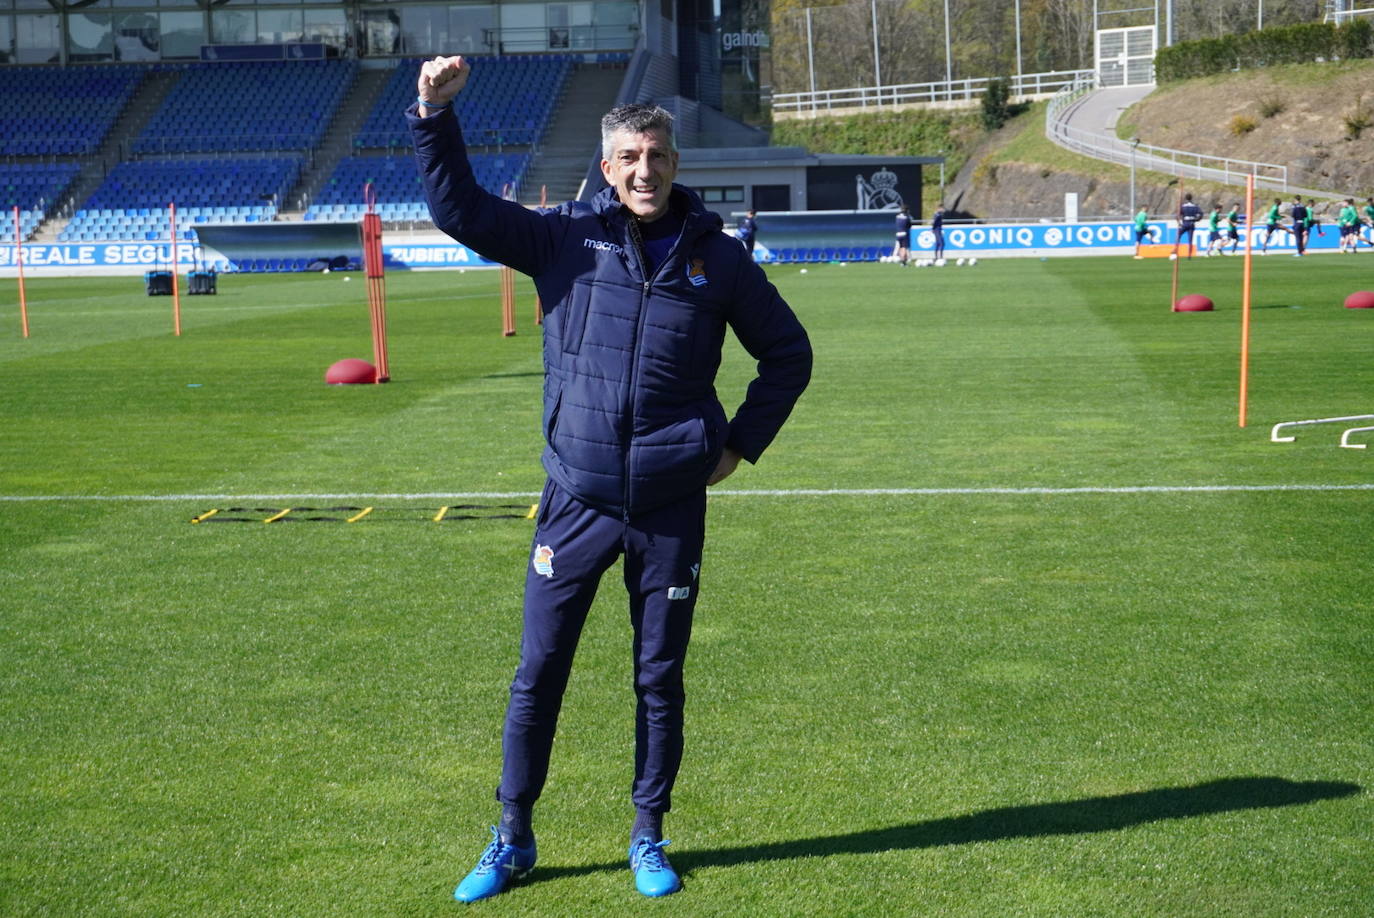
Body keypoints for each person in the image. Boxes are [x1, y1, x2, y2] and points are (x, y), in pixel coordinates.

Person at [408, 55, 813, 904]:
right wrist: (433, 114)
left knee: (658, 678)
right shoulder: (562, 240)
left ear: (674, 163)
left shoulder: (718, 261)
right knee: (538, 674)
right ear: (607, 165)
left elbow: (788, 353)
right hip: (576, 500)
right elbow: (460, 210)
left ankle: (648, 835)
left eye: (657, 157)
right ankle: (512, 836)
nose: (644, 171)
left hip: (669, 508)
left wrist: (739, 444)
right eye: (629, 157)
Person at [1176, 193, 1203, 259]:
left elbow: (1177, 215)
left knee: (1178, 235)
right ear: (1191, 198)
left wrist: (1179, 223)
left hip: (1185, 223)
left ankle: (1176, 250)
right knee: (1190, 240)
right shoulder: (1195, 206)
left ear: (1186, 198)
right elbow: (1201, 214)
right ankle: (1189, 255)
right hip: (1191, 223)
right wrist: (1197, 219)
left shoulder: (1183, 206)